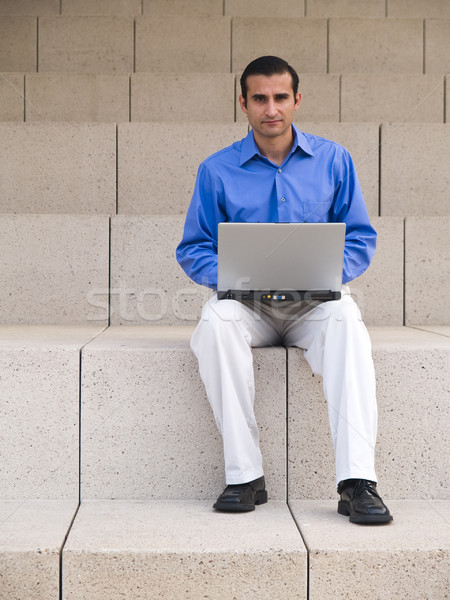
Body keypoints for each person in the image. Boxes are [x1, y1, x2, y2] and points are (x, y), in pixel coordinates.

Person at [176, 56, 392, 525]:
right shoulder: (216, 170)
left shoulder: (335, 160)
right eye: (259, 98)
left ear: (297, 100)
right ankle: (245, 476)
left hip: (314, 304)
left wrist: (327, 277)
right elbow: (193, 248)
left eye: (279, 97)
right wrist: (234, 279)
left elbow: (359, 238)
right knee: (215, 323)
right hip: (248, 304)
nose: (270, 109)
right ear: (243, 104)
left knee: (348, 326)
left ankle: (358, 482)